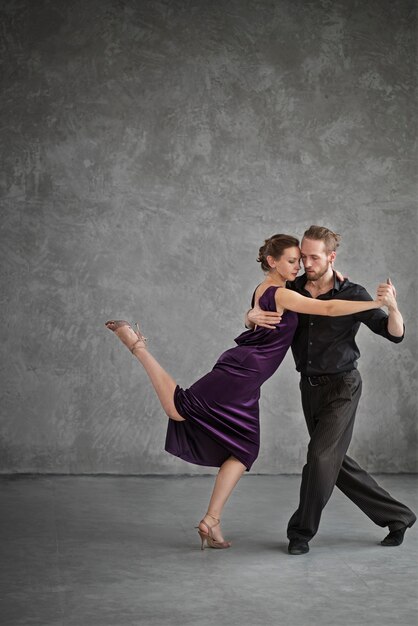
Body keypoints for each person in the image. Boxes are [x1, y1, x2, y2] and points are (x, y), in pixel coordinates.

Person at [105, 234, 389, 551]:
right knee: (179, 408)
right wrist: (376, 303)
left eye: (302, 260)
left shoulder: (266, 289)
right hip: (243, 371)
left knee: (244, 451)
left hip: (250, 378)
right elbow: (330, 307)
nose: (300, 265)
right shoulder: (282, 293)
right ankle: (137, 346)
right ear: (272, 262)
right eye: (293, 260)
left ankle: (211, 521)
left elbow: (265, 311)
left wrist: (248, 315)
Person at [247, 226, 416, 555]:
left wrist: (393, 308)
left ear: (331, 257)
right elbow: (260, 308)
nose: (306, 263)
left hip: (342, 386)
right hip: (309, 387)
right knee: (332, 462)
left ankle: (300, 533)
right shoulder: (291, 286)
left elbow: (394, 333)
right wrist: (247, 315)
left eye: (313, 257)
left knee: (320, 457)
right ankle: (399, 516)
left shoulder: (352, 293)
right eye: (303, 256)